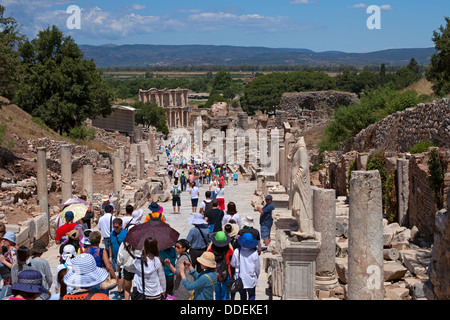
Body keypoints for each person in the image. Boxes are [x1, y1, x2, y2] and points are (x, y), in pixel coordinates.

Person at [85, 231, 118, 295]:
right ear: (99, 240)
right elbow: (108, 267)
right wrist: (114, 277)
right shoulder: (102, 251)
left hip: (90, 278)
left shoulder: (86, 250)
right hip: (101, 278)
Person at [230, 232, 260, 301]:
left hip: (240, 278)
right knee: (251, 296)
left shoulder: (237, 251)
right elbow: (257, 267)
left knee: (242, 296)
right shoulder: (254, 253)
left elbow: (233, 264)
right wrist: (257, 274)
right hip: (251, 277)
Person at [207, 231, 233, 300]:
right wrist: (228, 242)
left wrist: (212, 242)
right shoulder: (227, 250)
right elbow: (232, 250)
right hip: (226, 272)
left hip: (215, 273)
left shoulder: (212, 250)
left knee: (217, 292)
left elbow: (207, 251)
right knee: (225, 292)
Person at [109, 218, 128, 300]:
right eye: (114, 227)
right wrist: (110, 256)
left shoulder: (126, 233)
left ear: (121, 225)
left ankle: (120, 292)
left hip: (124, 258)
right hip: (116, 258)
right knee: (119, 274)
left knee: (121, 275)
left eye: (117, 227)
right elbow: (110, 246)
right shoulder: (112, 234)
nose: (115, 229)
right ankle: (123, 291)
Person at [0, 231, 18, 299]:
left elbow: (15, 267)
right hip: (7, 282)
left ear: (10, 241)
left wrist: (4, 261)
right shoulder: (8, 251)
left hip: (10, 283)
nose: (3, 241)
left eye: (5, 240)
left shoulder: (13, 252)